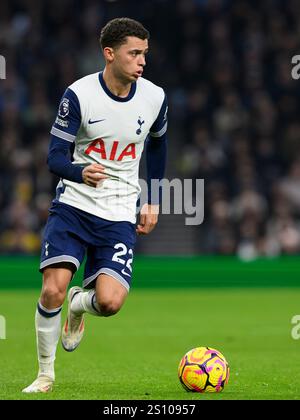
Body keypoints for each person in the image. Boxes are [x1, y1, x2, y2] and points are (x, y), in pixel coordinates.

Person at [22, 17, 168, 393]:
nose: (142, 62)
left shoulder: (155, 97)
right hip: (74, 205)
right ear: (110, 53)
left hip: (119, 210)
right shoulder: (79, 95)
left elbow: (157, 143)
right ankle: (45, 374)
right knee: (51, 289)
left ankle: (79, 305)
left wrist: (152, 197)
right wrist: (78, 171)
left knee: (110, 303)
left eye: (144, 54)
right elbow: (54, 157)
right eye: (134, 54)